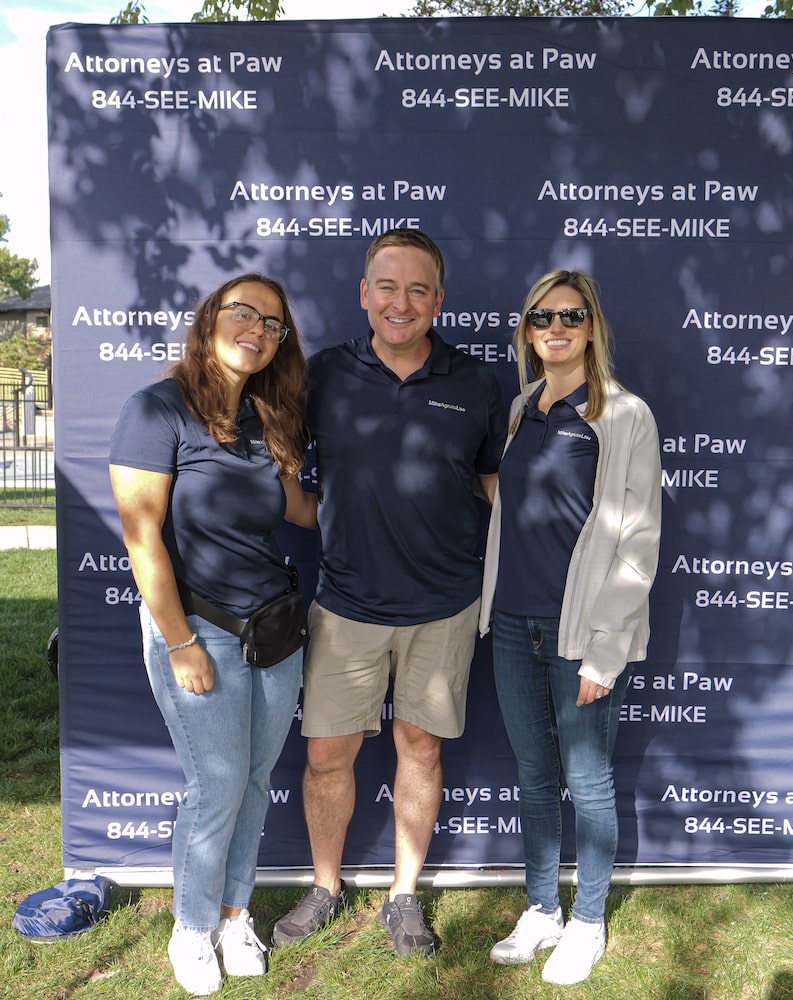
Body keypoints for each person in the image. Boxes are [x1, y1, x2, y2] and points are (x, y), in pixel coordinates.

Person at [272, 229, 506, 956]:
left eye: (416, 289)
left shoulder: (475, 383)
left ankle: (404, 896)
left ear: (438, 300)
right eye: (386, 286)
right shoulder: (322, 375)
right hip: (346, 605)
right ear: (363, 294)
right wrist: (321, 515)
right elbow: (284, 470)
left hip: (445, 607)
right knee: (325, 758)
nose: (400, 303)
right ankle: (325, 886)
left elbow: (495, 488)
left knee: (421, 751)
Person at [109, 274, 314, 996]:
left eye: (273, 324)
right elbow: (142, 539)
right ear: (210, 319)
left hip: (274, 629)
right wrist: (179, 641)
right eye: (243, 312)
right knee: (215, 784)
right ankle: (191, 929)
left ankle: (233, 915)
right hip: (199, 627)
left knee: (253, 779)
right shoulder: (155, 410)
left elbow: (301, 510)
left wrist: (395, 494)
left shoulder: (265, 417)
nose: (257, 329)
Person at [479, 270, 662, 985]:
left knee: (587, 781)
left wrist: (604, 652)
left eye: (571, 316)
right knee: (533, 777)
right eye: (541, 317)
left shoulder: (624, 414)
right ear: (526, 331)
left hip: (581, 633)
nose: (555, 328)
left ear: (592, 328)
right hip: (512, 623)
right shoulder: (522, 407)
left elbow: (638, 542)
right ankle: (541, 910)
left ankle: (587, 921)